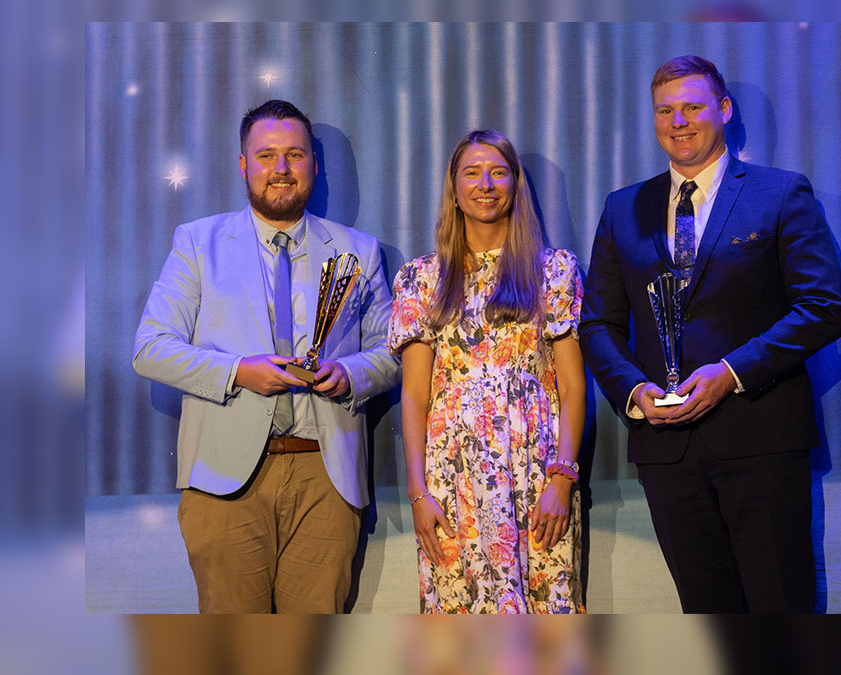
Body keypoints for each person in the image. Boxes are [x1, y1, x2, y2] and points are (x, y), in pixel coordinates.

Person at [579, 55, 841, 613]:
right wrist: (633, 391)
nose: (679, 121)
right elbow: (598, 324)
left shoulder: (780, 193)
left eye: (693, 106)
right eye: (665, 111)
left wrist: (730, 374)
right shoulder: (623, 208)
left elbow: (823, 307)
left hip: (763, 440)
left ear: (723, 110)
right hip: (666, 446)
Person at [133, 99, 400, 613]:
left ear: (314, 167)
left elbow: (393, 351)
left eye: (295, 155)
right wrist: (238, 372)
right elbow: (150, 348)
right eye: (267, 156)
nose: (281, 169)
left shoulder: (359, 250)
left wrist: (349, 374)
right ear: (243, 165)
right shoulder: (198, 242)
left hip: (326, 477)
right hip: (223, 478)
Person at [388, 129, 586, 613]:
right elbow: (413, 394)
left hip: (535, 474)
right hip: (453, 480)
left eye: (499, 172)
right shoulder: (422, 277)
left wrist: (562, 479)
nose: (486, 184)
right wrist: (418, 493)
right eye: (471, 173)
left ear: (516, 186)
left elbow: (573, 385)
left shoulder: (553, 269)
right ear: (453, 189)